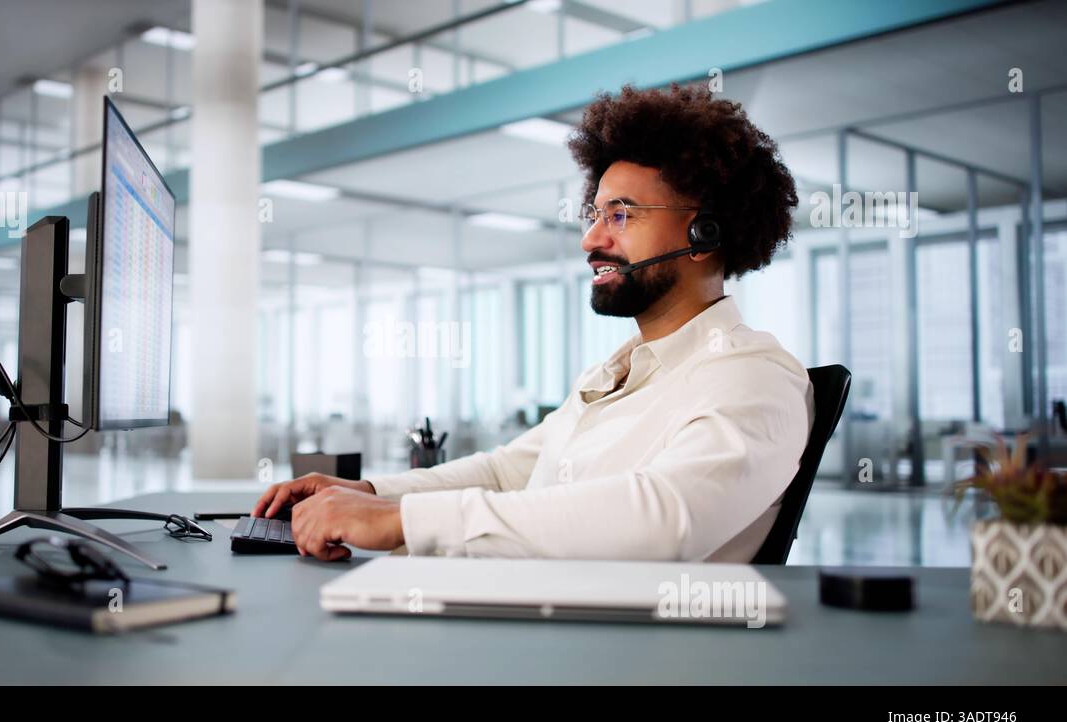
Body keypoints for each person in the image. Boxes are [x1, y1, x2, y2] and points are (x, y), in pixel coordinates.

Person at [253, 83, 813, 563]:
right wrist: (370, 491)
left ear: (705, 234)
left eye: (621, 214)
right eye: (594, 215)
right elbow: (507, 473)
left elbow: (665, 520)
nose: (591, 239)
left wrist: (404, 521)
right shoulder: (617, 374)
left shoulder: (753, 377)